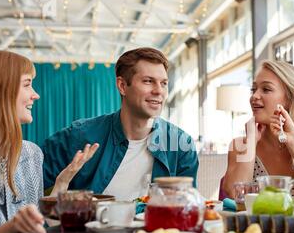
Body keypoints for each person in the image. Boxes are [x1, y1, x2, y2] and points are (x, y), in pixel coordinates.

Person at [0, 50, 95, 233]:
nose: (36, 95)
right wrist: (11, 228)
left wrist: (62, 183)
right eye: (28, 85)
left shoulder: (31, 154)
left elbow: (35, 229)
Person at [41, 48, 199, 201]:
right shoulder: (80, 136)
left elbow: (188, 207)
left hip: (157, 228)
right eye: (148, 81)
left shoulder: (180, 145)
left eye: (164, 83)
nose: (159, 91)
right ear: (122, 86)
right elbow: (28, 186)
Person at [221, 60, 294, 199]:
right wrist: (251, 144)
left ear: (290, 99)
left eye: (266, 89)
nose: (254, 96)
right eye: (253, 89)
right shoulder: (239, 146)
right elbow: (235, 196)